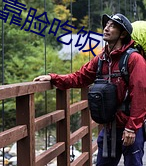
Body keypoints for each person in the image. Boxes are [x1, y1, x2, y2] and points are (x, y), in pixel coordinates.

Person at [34, 13, 146, 166]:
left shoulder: (134, 59)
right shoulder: (101, 59)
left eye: (112, 26)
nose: (106, 28)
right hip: (109, 126)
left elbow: (140, 94)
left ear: (123, 34)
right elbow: (80, 77)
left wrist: (132, 128)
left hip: (129, 126)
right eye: (106, 25)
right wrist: (53, 78)